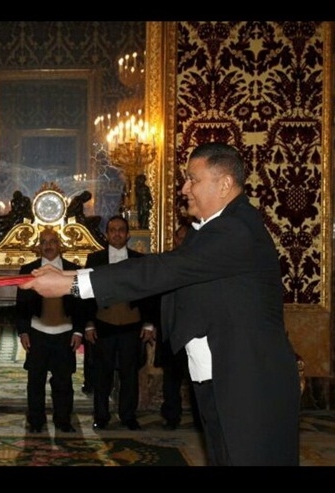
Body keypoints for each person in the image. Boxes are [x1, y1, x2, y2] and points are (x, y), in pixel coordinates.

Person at [20, 142, 301, 466]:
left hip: (249, 380)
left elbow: (164, 270)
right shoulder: (212, 229)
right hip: (225, 375)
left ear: (224, 184)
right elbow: (171, 275)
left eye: (193, 179)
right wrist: (71, 278)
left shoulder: (236, 229)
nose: (184, 189)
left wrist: (72, 283)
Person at [83, 215, 157, 431]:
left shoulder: (139, 259)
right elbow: (85, 293)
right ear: (107, 234)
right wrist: (88, 323)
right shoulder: (95, 259)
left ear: (128, 234)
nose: (117, 233)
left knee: (129, 374)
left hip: (131, 324)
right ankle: (101, 416)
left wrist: (149, 323)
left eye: (121, 230)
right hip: (103, 323)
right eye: (112, 230)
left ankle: (128, 416)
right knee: (102, 374)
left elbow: (148, 292)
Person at [16, 227, 84, 433]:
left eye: (52, 241)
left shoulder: (73, 269)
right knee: (35, 381)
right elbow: (21, 304)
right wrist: (23, 331)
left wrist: (78, 331)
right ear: (39, 246)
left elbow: (81, 304)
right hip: (37, 332)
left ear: (59, 244)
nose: (48, 246)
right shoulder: (28, 270)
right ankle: (36, 421)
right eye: (44, 242)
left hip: (65, 333)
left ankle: (63, 420)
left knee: (63, 381)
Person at [147, 223, 200, 431]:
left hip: (195, 333)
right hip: (171, 330)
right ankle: (171, 417)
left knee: (197, 380)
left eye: (188, 237)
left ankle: (200, 420)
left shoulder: (201, 263)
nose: (183, 241)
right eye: (180, 237)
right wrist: (152, 324)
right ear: (175, 239)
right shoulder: (167, 262)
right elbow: (155, 295)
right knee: (171, 379)